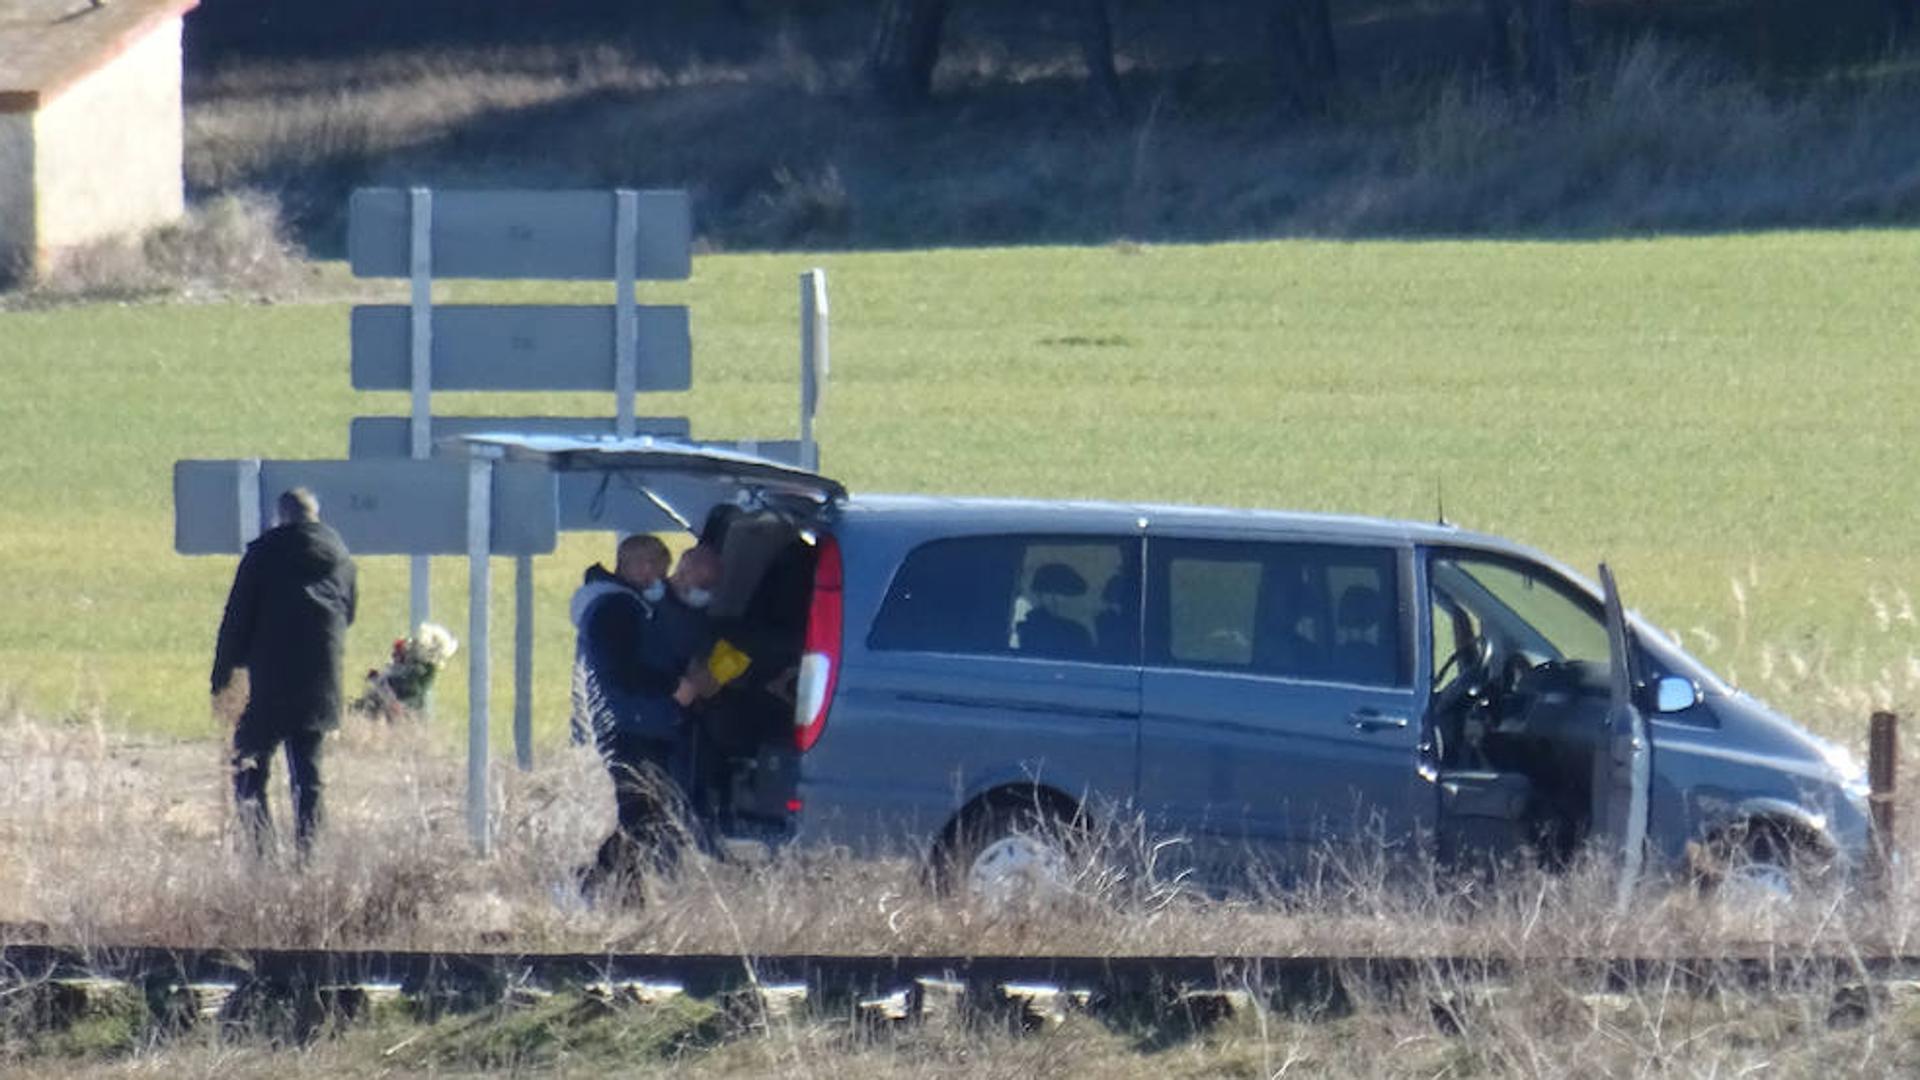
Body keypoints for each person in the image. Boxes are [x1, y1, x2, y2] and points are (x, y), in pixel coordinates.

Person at [210, 487, 358, 858]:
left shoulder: (264, 555)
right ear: (316, 515)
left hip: (271, 681)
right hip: (321, 679)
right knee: (309, 776)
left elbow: (236, 619)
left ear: (282, 516)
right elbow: (349, 613)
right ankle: (308, 859)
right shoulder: (340, 556)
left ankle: (263, 854)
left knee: (248, 767)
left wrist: (223, 677)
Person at [570, 535, 714, 898]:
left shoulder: (617, 602)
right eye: (654, 570)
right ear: (635, 565)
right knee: (642, 814)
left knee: (642, 814)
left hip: (629, 721)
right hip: (630, 725)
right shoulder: (616, 608)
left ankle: (623, 892)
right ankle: (593, 884)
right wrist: (673, 684)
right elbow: (622, 670)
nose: (658, 580)